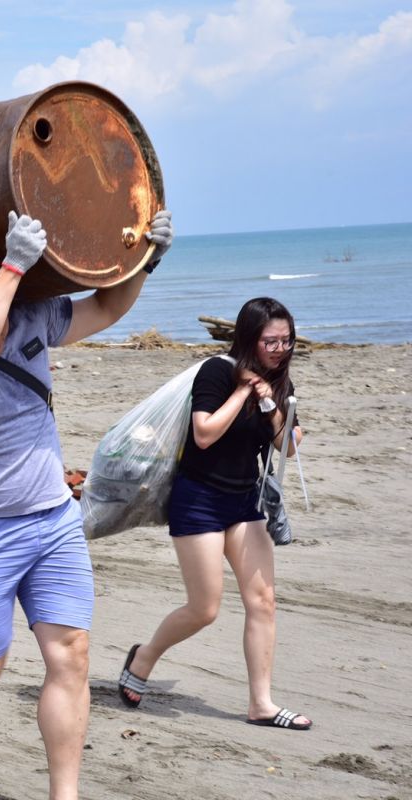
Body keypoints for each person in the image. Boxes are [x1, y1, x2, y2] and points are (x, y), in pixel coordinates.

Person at [0, 208, 173, 800]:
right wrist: (15, 262)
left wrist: (144, 259)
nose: (2, 335)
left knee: (70, 656)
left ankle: (63, 794)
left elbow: (104, 308)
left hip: (53, 521)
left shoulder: (26, 318)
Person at [117, 297, 310, 731]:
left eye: (287, 340)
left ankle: (261, 703)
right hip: (199, 499)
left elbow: (289, 447)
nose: (280, 349)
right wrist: (243, 389)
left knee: (263, 600)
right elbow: (203, 434)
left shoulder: (281, 384)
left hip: (245, 503)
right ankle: (144, 656)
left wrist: (269, 401)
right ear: (249, 338)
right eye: (271, 341)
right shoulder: (217, 372)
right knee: (204, 608)